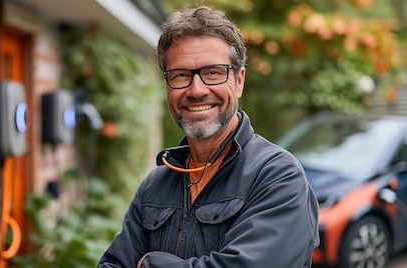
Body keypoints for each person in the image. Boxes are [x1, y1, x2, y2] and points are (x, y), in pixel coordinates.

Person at [98, 5, 319, 268]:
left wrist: (149, 263)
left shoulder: (276, 176)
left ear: (239, 81)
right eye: (180, 75)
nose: (197, 90)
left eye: (213, 72)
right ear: (167, 86)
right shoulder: (155, 185)